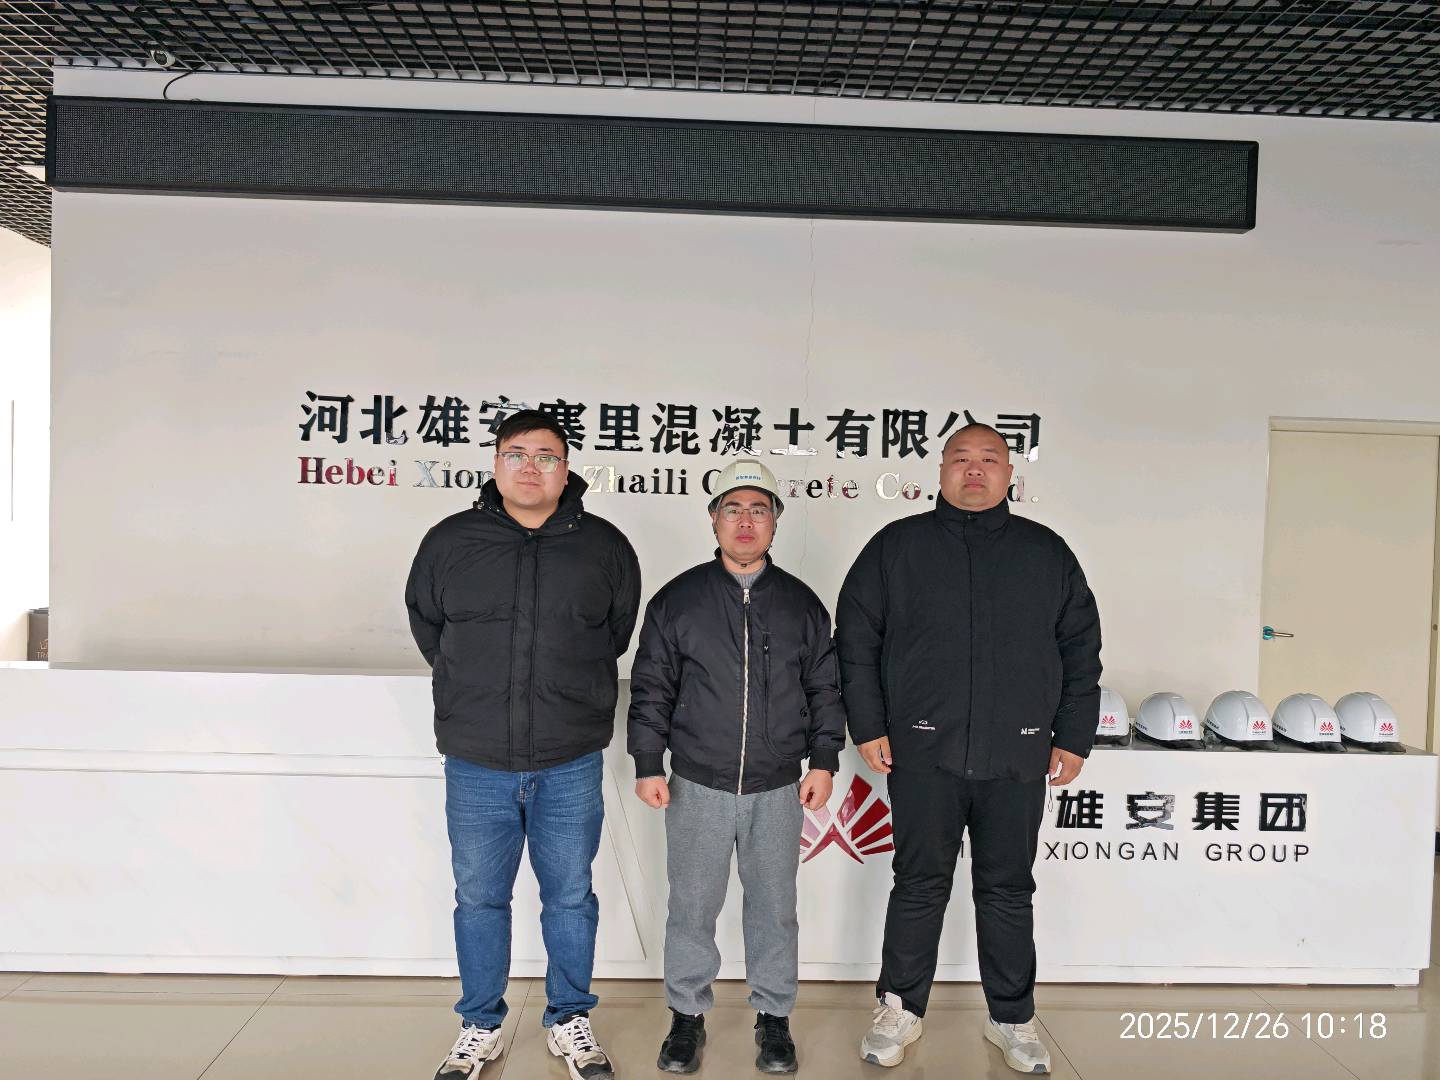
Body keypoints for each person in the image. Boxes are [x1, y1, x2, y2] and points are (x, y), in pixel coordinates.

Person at [836, 423, 1101, 1073]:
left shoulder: (1045, 554)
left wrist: (1073, 735)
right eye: (961, 458)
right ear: (940, 471)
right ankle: (900, 1008)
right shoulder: (897, 548)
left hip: (1017, 755)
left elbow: (1080, 651)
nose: (974, 470)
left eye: (989, 459)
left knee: (1006, 889)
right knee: (918, 883)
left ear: (1010, 474)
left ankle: (1012, 1016)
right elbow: (856, 642)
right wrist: (868, 725)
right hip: (923, 751)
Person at [406, 409, 641, 1080]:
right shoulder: (450, 542)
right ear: (495, 464)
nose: (530, 467)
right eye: (517, 454)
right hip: (477, 758)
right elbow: (430, 628)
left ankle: (569, 1018)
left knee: (570, 896)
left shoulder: (603, 547)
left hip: (570, 756)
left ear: (567, 470)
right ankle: (480, 1025)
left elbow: (615, 633)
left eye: (546, 456)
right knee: (480, 897)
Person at [628, 459, 846, 1075]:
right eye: (733, 509)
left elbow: (825, 689)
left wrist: (824, 760)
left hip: (778, 786)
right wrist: (648, 762)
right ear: (713, 519)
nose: (745, 521)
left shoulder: (801, 605)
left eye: (758, 510)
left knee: (774, 908)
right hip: (698, 781)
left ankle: (774, 1018)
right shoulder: (678, 600)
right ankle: (686, 1017)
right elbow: (652, 688)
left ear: (776, 521)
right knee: (692, 906)